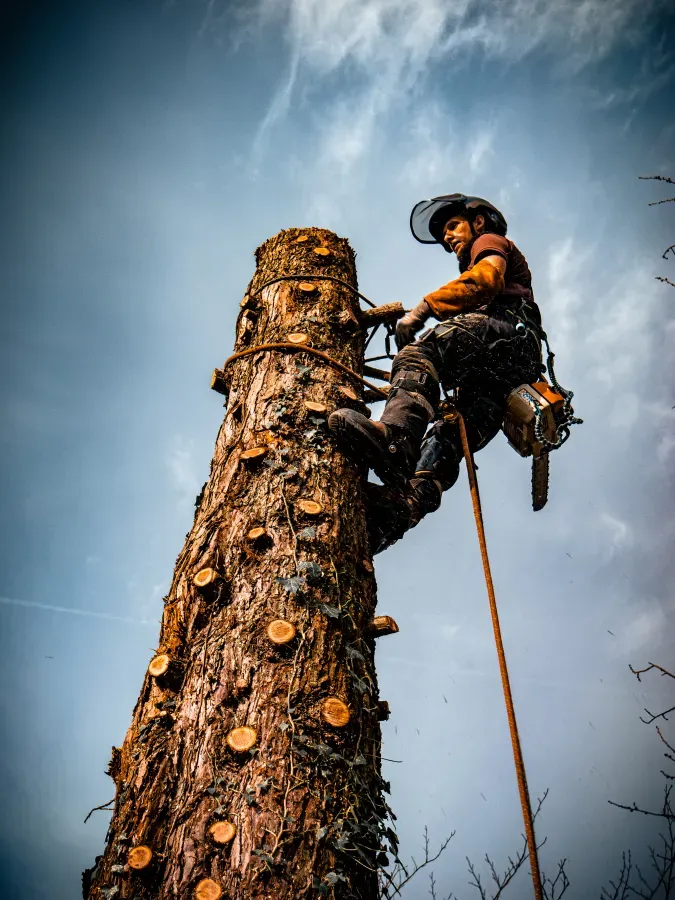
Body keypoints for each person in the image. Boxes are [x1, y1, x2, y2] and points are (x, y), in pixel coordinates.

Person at [328, 193, 546, 554]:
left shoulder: (490, 242)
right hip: (503, 378)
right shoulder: (479, 267)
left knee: (420, 352)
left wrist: (423, 309)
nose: (448, 236)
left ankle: (396, 437)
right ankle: (401, 511)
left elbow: (487, 279)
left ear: (478, 221)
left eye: (453, 225)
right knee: (448, 434)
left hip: (508, 336)